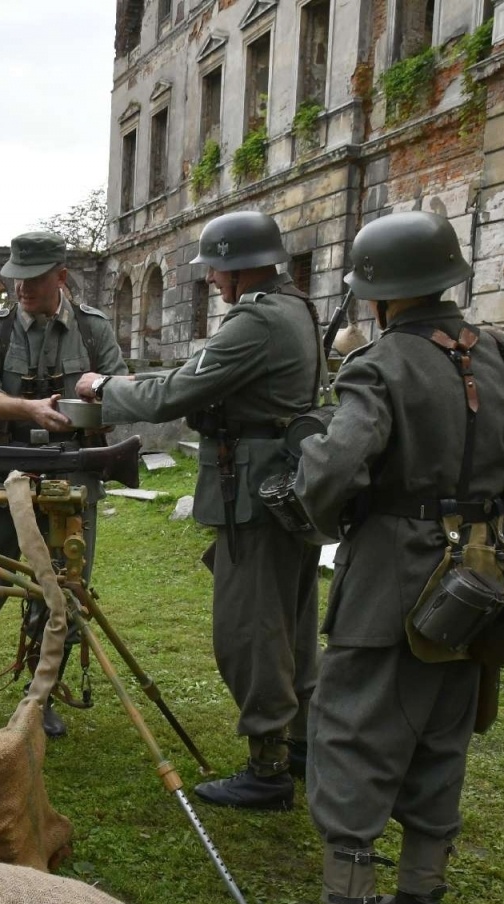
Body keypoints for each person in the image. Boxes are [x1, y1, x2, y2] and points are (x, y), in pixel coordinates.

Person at [250, 211, 504, 904]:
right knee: (441, 734)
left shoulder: (379, 364)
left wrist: (308, 508)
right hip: (486, 573)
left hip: (392, 577)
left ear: (379, 295)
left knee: (353, 734)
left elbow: (332, 471)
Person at [76, 211, 323, 811]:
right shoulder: (295, 308)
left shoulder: (257, 320)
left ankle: (267, 770)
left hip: (254, 495)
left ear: (238, 267)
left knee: (250, 632)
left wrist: (101, 387)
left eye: (215, 268)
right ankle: (301, 747)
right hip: (286, 489)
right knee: (291, 625)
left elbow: (173, 395)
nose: (211, 279)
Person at [0, 230, 127, 738]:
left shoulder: (92, 329)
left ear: (61, 277)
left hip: (72, 474)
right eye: (16, 280)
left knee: (60, 586)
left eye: (33, 280)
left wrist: (95, 396)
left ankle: (40, 699)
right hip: (0, 470)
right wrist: (30, 409)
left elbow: (120, 387)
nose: (21, 290)